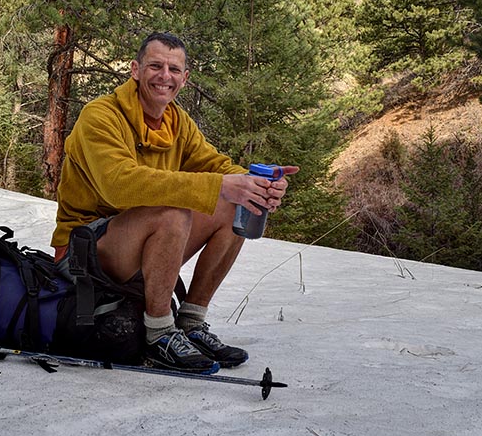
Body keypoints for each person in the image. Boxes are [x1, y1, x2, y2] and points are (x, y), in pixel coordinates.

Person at [51, 32, 298, 374]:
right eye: (155, 66)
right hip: (85, 254)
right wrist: (221, 185)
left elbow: (216, 167)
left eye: (173, 68)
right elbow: (119, 186)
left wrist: (253, 184)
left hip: (139, 243)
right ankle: (158, 334)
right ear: (136, 70)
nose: (164, 76)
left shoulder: (177, 122)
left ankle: (190, 323)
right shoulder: (101, 115)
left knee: (232, 206)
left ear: (185, 78)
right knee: (174, 211)